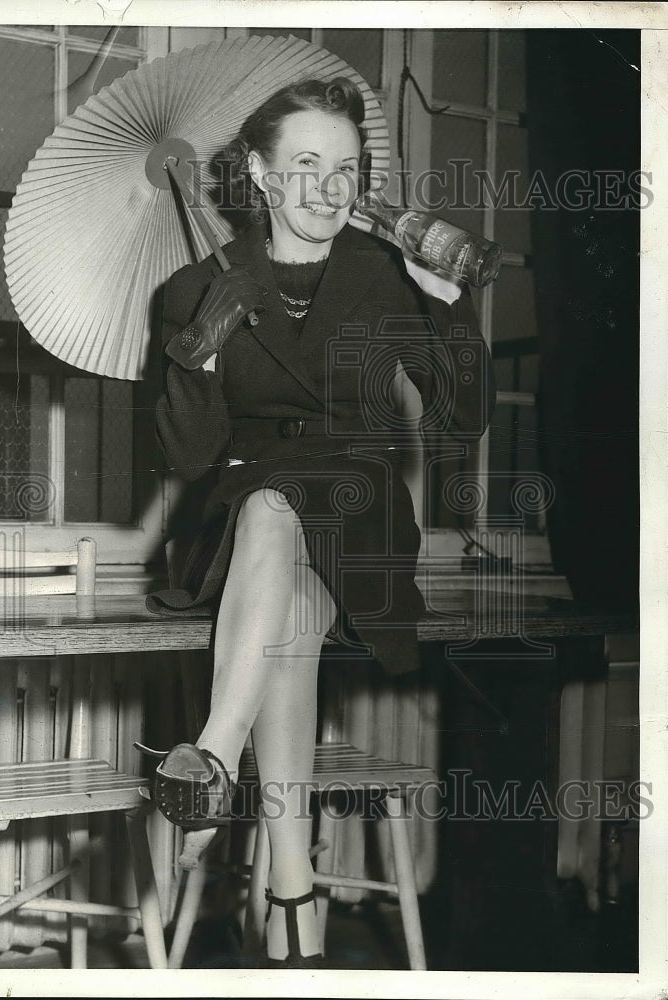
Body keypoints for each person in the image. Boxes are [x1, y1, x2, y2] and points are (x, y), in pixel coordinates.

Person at [137, 77, 496, 967]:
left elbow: (464, 417)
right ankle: (293, 892)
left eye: (347, 169)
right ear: (258, 173)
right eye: (305, 166)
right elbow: (185, 459)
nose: (330, 190)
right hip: (241, 523)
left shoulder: (387, 277)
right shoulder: (196, 290)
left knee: (278, 517)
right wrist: (198, 354)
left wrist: (447, 307)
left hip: (359, 510)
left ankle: (216, 755)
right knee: (274, 553)